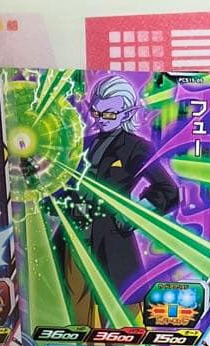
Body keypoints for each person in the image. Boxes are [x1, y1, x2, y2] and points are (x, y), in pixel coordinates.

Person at [57, 74, 178, 326]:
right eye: (96, 112)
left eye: (109, 114)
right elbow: (63, 184)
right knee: (76, 312)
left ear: (127, 113)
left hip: (110, 239)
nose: (100, 119)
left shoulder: (136, 147)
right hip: (72, 238)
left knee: (123, 313)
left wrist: (135, 212)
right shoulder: (84, 144)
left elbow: (168, 191)